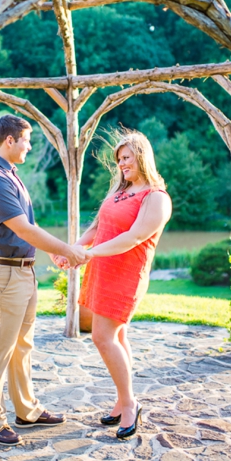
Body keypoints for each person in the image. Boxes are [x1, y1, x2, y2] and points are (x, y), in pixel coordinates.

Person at [0, 114, 90, 445]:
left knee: (22, 345)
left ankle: (27, 410)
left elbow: (25, 228)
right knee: (0, 349)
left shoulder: (9, 174)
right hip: (2, 275)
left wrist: (50, 252)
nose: (29, 145)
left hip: (20, 270)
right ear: (9, 140)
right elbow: (22, 228)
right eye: (26, 139)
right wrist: (68, 249)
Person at [75, 129, 172, 441]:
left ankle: (130, 405)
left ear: (142, 156)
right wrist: (74, 249)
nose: (122, 164)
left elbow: (134, 237)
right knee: (117, 336)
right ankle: (122, 399)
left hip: (126, 276)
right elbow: (98, 226)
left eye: (127, 157)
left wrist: (88, 253)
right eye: (119, 160)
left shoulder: (155, 197)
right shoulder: (120, 190)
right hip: (104, 269)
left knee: (103, 337)